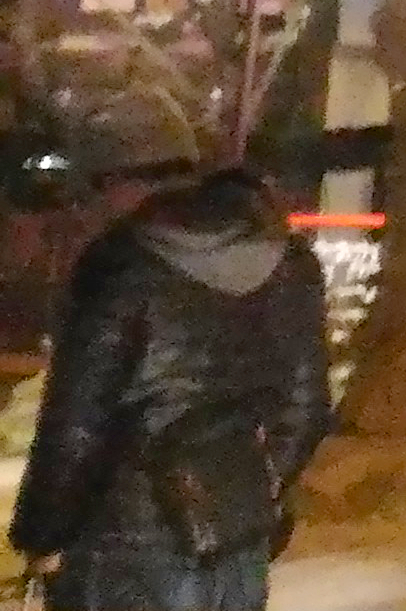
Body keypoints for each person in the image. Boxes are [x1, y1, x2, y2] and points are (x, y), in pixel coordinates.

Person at [6, 94, 333, 611]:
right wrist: (241, 496)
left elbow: (76, 426)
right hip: (236, 548)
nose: (85, 208)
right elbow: (309, 408)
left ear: (119, 182)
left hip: (120, 546)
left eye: (91, 190)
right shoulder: (290, 260)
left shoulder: (121, 267)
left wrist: (39, 536)